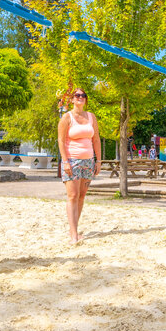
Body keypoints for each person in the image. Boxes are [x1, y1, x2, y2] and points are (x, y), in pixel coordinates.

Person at [57, 87, 101, 243]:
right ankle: (73, 234)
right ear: (72, 99)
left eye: (83, 95)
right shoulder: (67, 118)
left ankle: (74, 229)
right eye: (77, 95)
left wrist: (98, 160)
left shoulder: (91, 117)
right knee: (73, 196)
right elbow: (61, 141)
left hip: (88, 160)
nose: (80, 97)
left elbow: (96, 140)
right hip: (72, 160)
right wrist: (65, 161)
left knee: (82, 196)